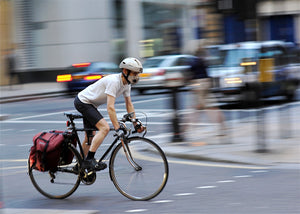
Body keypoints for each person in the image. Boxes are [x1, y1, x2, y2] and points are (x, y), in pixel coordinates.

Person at [74, 57, 144, 171]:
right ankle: (89, 160)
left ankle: (79, 165)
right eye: (135, 73)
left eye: (138, 74)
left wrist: (135, 121)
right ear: (125, 71)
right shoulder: (114, 82)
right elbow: (110, 107)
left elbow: (129, 104)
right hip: (83, 102)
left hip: (91, 105)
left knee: (89, 138)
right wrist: (117, 127)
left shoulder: (127, 84)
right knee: (104, 128)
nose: (136, 76)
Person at [189, 47, 226, 136]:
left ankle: (188, 131)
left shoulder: (194, 61)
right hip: (206, 83)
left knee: (199, 108)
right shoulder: (203, 61)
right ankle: (222, 127)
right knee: (211, 107)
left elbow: (191, 71)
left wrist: (192, 86)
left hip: (199, 85)